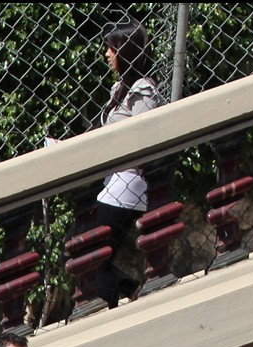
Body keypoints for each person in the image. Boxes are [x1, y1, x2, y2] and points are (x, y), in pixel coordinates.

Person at [92, 21, 159, 308]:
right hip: (112, 180)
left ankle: (115, 299)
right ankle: (129, 288)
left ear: (126, 50)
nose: (107, 54)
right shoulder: (122, 87)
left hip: (129, 183)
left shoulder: (143, 90)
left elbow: (143, 136)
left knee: (91, 253)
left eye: (112, 48)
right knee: (83, 252)